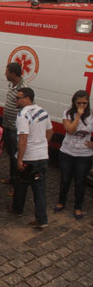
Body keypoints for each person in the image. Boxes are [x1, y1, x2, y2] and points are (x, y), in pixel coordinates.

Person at [10, 87, 53, 228]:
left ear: (27, 99)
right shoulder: (43, 111)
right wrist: (42, 145)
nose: (15, 100)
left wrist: (20, 159)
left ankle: (17, 209)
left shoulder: (23, 115)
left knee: (21, 184)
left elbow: (23, 139)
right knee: (39, 189)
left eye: (18, 98)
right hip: (42, 156)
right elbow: (50, 132)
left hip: (29, 157)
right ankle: (42, 219)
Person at [54, 90, 93, 219]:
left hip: (84, 155)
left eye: (85, 103)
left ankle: (78, 207)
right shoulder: (67, 113)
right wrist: (78, 116)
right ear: (74, 102)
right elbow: (70, 130)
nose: (82, 106)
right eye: (79, 103)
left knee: (80, 181)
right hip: (67, 153)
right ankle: (61, 202)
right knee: (65, 179)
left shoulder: (91, 116)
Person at [1, 62, 28, 187]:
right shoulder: (11, 85)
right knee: (11, 155)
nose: (5, 74)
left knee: (16, 157)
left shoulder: (23, 89)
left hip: (15, 128)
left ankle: (16, 184)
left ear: (12, 74)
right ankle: (12, 178)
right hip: (8, 125)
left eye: (6, 72)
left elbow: (25, 108)